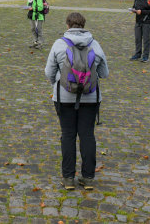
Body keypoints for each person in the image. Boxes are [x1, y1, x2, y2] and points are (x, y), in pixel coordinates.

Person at [45, 12, 109, 191]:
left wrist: (59, 83)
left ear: (67, 25)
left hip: (64, 98)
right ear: (84, 25)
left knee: (68, 135)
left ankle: (68, 179)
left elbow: (48, 72)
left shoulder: (59, 44)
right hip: (91, 98)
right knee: (87, 136)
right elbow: (104, 73)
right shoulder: (95, 44)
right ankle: (88, 178)